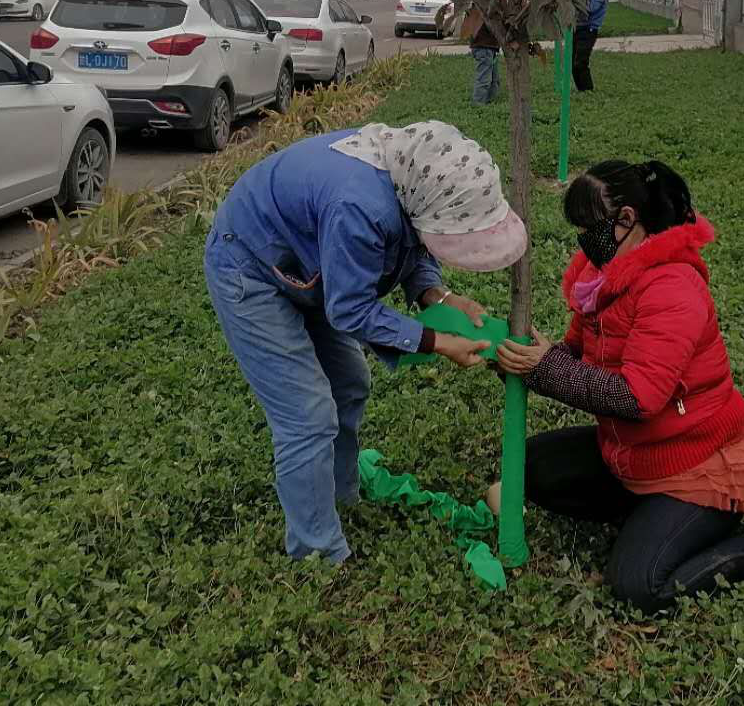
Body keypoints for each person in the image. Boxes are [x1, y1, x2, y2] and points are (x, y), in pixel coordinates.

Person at [205, 120, 527, 563]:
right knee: (308, 414)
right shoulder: (359, 204)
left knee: (350, 382)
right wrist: (436, 341)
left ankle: (339, 495)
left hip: (307, 263)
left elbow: (413, 245)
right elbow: (350, 309)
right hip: (249, 267)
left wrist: (439, 295)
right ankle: (317, 552)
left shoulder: (412, 177)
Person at [496, 160, 744, 614]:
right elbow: (576, 357)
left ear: (627, 219)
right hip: (632, 455)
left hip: (695, 468)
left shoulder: (672, 287)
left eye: (590, 227)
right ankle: (650, 519)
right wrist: (526, 357)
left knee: (638, 585)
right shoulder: (603, 278)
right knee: (529, 465)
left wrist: (545, 370)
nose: (584, 240)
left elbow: (636, 397)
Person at [571, 0, 608, 92]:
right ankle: (581, 91)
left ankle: (588, 91)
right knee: (572, 64)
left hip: (588, 29)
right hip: (577, 27)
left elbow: (590, 8)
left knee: (580, 62)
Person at [461, 6, 502, 105]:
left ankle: (491, 102)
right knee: (484, 79)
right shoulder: (483, 6)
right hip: (484, 46)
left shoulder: (478, 5)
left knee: (494, 79)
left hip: (489, 47)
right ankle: (478, 104)